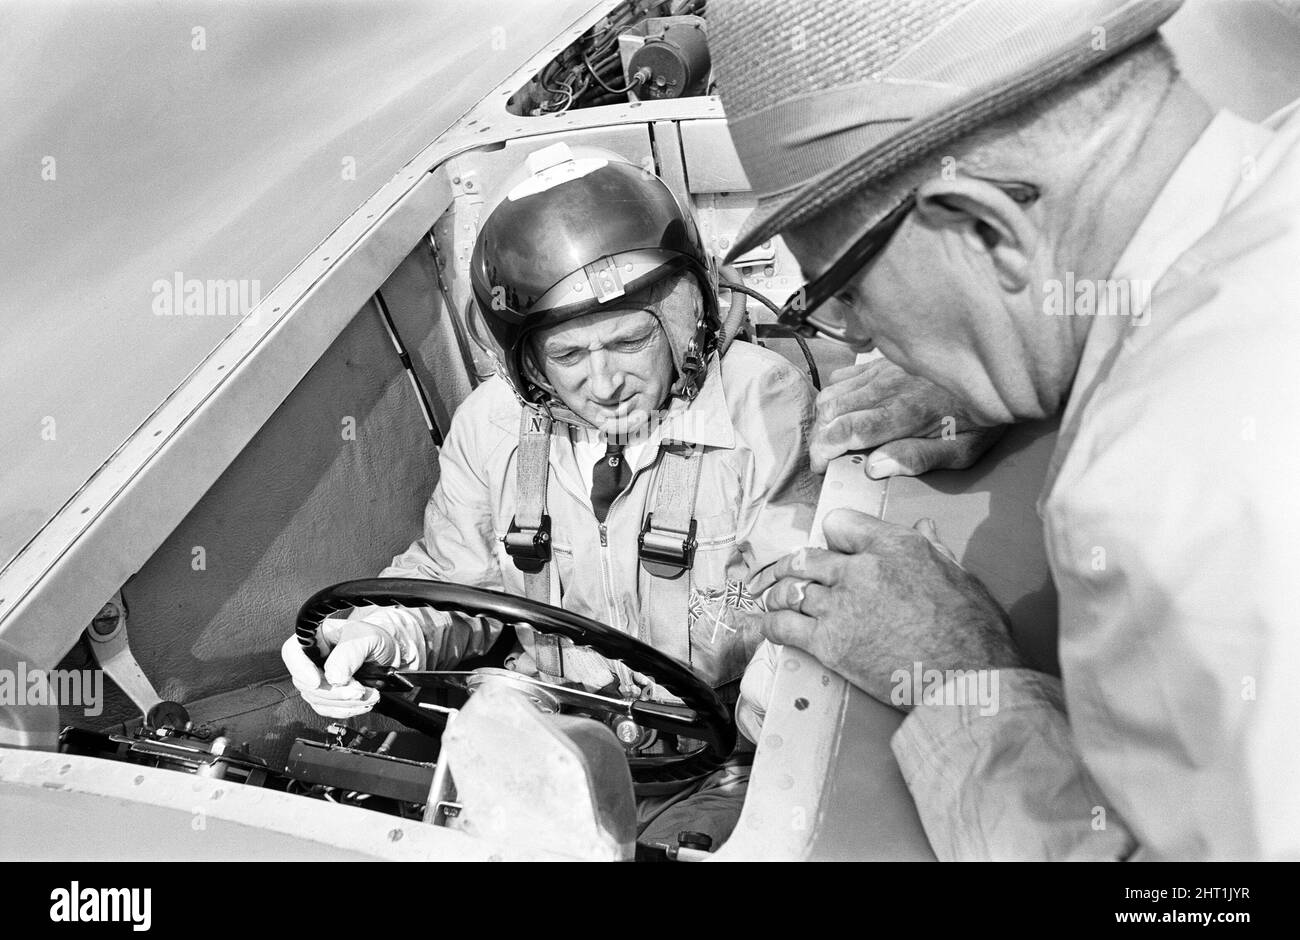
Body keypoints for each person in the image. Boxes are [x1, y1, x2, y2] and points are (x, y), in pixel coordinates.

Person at [712, 0, 1300, 859]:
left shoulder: (1168, 502)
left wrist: (961, 681)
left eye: (845, 288)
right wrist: (1026, 363)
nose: (861, 337)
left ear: (987, 228)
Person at [281, 142, 820, 849]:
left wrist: (767, 726)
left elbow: (804, 608)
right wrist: (374, 632)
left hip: (722, 769)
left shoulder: (762, 405)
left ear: (685, 322)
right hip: (547, 744)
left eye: (630, 341)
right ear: (527, 362)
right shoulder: (493, 427)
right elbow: (447, 580)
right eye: (569, 356)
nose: (604, 383)